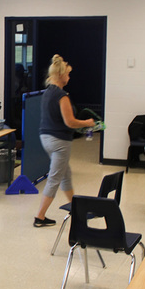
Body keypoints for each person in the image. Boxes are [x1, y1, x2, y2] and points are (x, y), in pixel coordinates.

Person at [33, 54, 94, 228]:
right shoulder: (62, 96)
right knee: (55, 178)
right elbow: (70, 122)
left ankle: (75, 208)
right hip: (60, 142)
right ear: (60, 75)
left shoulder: (47, 93)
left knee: (65, 175)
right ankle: (40, 217)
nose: (69, 77)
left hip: (47, 138)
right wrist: (88, 123)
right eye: (67, 74)